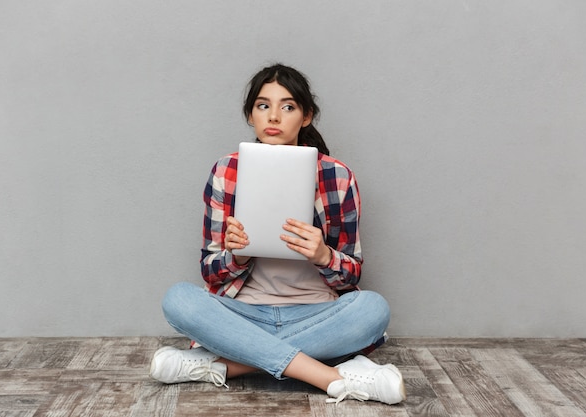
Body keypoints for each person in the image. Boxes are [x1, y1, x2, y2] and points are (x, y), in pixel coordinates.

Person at [149, 63, 406, 405]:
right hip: (244, 314)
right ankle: (331, 377)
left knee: (374, 309)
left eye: (288, 107)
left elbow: (352, 274)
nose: (273, 117)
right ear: (250, 115)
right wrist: (235, 255)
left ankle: (223, 365)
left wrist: (324, 256)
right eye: (263, 105)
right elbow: (209, 270)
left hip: (316, 313)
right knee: (178, 299)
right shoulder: (226, 171)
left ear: (306, 116)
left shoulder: (338, 176)